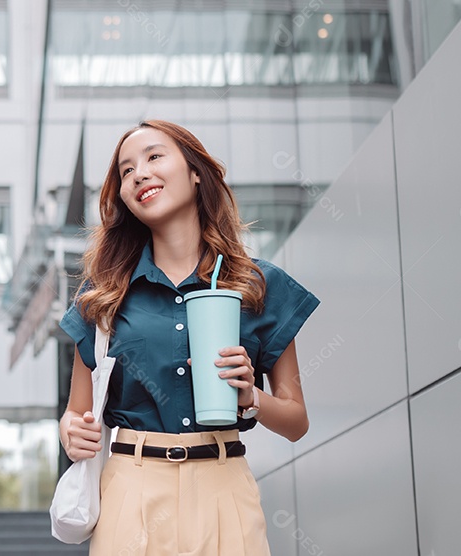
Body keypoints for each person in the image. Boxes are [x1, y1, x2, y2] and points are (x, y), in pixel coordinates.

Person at [58, 120, 320, 555]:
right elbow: (75, 413)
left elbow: (296, 421)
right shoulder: (103, 295)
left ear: (195, 171)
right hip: (131, 491)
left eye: (154, 156)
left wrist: (250, 397)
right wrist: (72, 432)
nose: (139, 173)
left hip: (224, 488)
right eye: (126, 171)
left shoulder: (258, 286)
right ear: (124, 196)